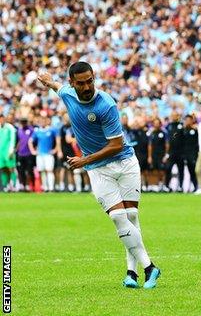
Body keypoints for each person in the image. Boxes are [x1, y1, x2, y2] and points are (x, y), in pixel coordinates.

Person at [37, 63, 160, 289]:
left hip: (124, 163)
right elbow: (57, 87)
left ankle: (131, 273)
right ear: (72, 83)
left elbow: (116, 144)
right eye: (81, 83)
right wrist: (48, 80)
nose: (87, 86)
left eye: (90, 80)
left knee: (130, 216)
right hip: (99, 170)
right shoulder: (68, 94)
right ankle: (149, 267)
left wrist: (84, 160)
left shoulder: (106, 105)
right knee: (117, 217)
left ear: (94, 78)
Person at [29, 117, 57, 192]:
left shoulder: (51, 130)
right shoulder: (37, 131)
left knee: (49, 170)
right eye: (40, 121)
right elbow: (30, 141)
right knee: (42, 171)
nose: (42, 122)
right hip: (40, 155)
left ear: (46, 121)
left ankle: (51, 188)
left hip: (48, 154)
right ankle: (45, 188)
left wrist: (56, 149)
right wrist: (33, 151)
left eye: (43, 121)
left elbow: (58, 139)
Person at [165, 112, 185, 192]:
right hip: (171, 152)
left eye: (175, 115)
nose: (174, 117)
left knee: (181, 170)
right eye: (172, 115)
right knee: (168, 168)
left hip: (180, 152)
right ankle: (167, 186)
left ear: (178, 116)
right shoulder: (168, 126)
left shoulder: (182, 126)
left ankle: (180, 186)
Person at [147, 118, 168, 192]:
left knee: (162, 170)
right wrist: (149, 156)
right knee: (154, 170)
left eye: (157, 123)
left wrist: (166, 155)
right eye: (155, 123)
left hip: (161, 155)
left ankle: (162, 185)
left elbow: (167, 144)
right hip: (153, 155)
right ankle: (155, 185)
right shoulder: (151, 133)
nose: (156, 125)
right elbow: (150, 145)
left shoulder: (164, 133)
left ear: (160, 124)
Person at [16, 118, 36, 191]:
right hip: (21, 154)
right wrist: (16, 149)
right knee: (21, 171)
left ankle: (31, 185)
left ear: (26, 122)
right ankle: (24, 185)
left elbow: (34, 140)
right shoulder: (19, 130)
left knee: (30, 171)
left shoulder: (31, 130)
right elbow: (19, 141)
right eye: (22, 122)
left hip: (29, 154)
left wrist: (34, 149)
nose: (23, 123)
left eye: (24, 122)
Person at [0, 114, 17, 191]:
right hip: (1, 152)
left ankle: (13, 185)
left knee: (11, 168)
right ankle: (5, 185)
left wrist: (11, 150)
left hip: (8, 151)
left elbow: (13, 139)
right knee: (3, 168)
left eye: (2, 119)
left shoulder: (10, 127)